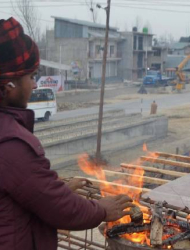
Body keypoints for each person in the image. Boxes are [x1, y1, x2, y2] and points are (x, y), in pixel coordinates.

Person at [0, 17, 134, 250]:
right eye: (30, 77)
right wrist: (103, 209)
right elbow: (59, 209)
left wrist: (57, 188)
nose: (34, 85)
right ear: (9, 84)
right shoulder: (11, 143)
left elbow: (26, 190)